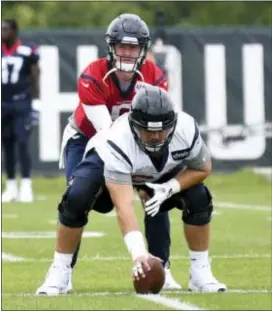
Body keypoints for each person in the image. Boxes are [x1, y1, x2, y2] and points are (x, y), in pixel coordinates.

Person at [36, 85, 227, 295]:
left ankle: (200, 272)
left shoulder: (186, 128)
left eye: (161, 130)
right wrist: (138, 253)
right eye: (148, 130)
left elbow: (203, 167)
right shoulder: (117, 139)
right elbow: (124, 205)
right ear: (134, 125)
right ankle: (60, 270)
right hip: (103, 164)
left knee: (198, 196)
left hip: (159, 174)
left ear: (173, 124)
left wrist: (170, 187)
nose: (155, 136)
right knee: (77, 196)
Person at [58, 13, 180, 290]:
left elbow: (154, 121)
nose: (127, 52)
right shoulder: (92, 74)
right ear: (111, 47)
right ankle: (62, 272)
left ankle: (163, 266)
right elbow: (107, 133)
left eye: (133, 46)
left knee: (155, 195)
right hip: (89, 139)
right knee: (76, 199)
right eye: (122, 46)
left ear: (143, 49)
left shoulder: (154, 75)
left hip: (138, 143)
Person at [1, 19, 40, 203]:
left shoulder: (27, 50)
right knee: (6, 145)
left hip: (22, 103)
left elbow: (35, 76)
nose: (2, 32)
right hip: (3, 104)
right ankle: (10, 186)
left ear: (14, 30)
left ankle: (25, 185)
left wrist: (36, 103)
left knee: (22, 143)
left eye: (5, 29)